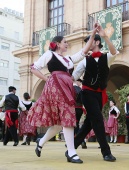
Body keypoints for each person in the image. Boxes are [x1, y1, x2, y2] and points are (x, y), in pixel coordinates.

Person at [27, 24, 99, 164]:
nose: (67, 44)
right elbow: (34, 68)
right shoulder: (49, 54)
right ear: (58, 44)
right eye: (65, 42)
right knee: (67, 116)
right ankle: (71, 152)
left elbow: (83, 51)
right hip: (56, 87)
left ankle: (40, 142)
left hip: (66, 87)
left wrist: (93, 34)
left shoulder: (68, 60)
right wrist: (46, 78)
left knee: (60, 124)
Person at [72, 24, 118, 162]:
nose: (87, 44)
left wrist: (105, 36)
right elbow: (73, 76)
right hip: (87, 93)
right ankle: (106, 152)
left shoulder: (107, 57)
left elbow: (114, 52)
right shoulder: (85, 61)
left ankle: (72, 146)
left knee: (89, 123)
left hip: (100, 95)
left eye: (90, 41)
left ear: (97, 42)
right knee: (97, 120)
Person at [73, 79, 87, 149]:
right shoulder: (81, 90)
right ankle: (76, 141)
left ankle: (81, 141)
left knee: (74, 126)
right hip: (80, 109)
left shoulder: (72, 89)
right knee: (76, 125)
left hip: (73, 108)